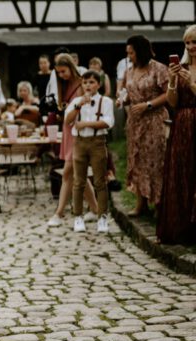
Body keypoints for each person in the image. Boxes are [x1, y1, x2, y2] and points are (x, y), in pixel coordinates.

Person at [120, 34, 170, 216]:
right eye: (127, 53)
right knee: (137, 161)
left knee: (156, 162)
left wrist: (148, 105)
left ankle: (159, 204)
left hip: (154, 120)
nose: (129, 57)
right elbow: (127, 92)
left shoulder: (159, 69)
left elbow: (168, 95)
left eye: (131, 53)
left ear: (140, 51)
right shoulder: (129, 71)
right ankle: (141, 204)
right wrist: (123, 99)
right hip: (135, 122)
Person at [48, 54, 99, 226]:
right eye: (58, 72)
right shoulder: (63, 86)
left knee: (68, 173)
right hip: (68, 130)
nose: (61, 75)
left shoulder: (82, 83)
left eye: (63, 71)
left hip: (79, 132)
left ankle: (59, 213)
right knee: (78, 173)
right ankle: (95, 209)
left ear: (71, 67)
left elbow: (89, 108)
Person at [157, 25, 196, 244]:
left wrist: (191, 83)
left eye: (194, 42)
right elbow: (173, 103)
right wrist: (172, 81)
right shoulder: (181, 68)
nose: (190, 47)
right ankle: (181, 227)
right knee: (182, 174)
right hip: (182, 125)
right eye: (187, 43)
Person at [64, 70, 115, 234]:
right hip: (79, 143)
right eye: (85, 82)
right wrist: (78, 105)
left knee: (100, 181)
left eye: (91, 82)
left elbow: (108, 122)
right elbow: (67, 120)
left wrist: (86, 124)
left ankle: (102, 217)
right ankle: (78, 217)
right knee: (78, 181)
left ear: (98, 85)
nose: (88, 85)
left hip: (97, 142)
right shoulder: (76, 101)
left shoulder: (105, 101)